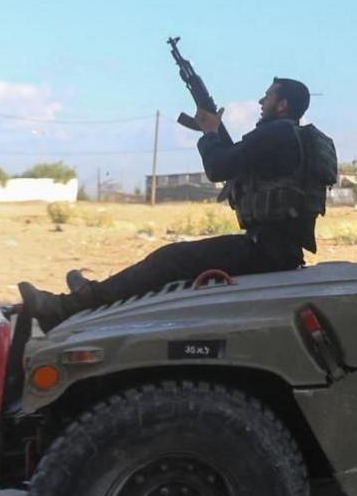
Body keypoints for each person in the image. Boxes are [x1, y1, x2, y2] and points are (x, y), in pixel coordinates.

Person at [18, 78, 334, 332]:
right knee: (172, 263)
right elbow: (236, 162)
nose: (260, 102)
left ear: (282, 105)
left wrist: (210, 131)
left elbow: (218, 168)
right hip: (276, 246)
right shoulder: (289, 136)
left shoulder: (277, 133)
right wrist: (214, 132)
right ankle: (89, 296)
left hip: (266, 250)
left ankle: (64, 308)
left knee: (169, 260)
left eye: (267, 97)